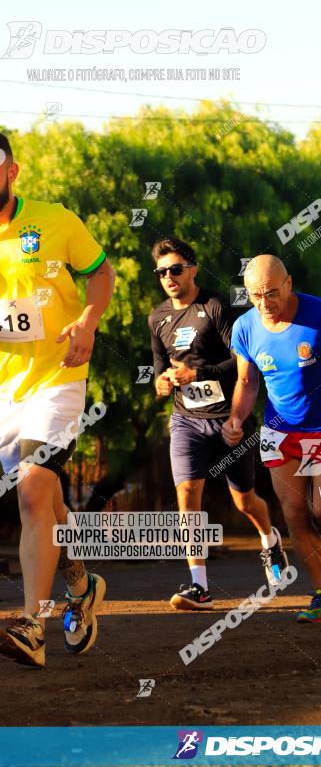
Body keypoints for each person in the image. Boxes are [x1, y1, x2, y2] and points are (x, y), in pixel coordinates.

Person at [0, 132, 115, 667]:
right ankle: (79, 580)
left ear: (12, 171)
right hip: (4, 389)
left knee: (32, 490)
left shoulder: (54, 220)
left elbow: (100, 273)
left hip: (59, 377)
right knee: (49, 507)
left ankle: (31, 626)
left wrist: (88, 323)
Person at [222, 254, 321, 623]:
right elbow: (246, 382)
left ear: (288, 283)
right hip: (280, 432)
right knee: (294, 513)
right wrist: (236, 418)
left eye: (272, 294)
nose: (265, 304)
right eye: (256, 296)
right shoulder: (245, 328)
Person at [148, 238, 287, 611]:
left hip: (229, 421)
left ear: (192, 268)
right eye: (162, 272)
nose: (169, 277)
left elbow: (242, 363)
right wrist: (161, 382)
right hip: (186, 422)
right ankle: (199, 586)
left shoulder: (215, 307)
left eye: (176, 269)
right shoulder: (157, 317)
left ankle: (269, 539)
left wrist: (199, 372)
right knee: (187, 497)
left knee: (244, 500)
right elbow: (161, 369)